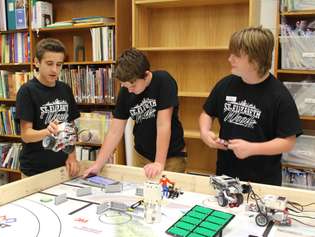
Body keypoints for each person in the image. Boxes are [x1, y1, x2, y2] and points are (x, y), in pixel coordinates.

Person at [199, 26, 302, 186]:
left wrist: (252, 148)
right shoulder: (226, 84)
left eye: (236, 55)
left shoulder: (279, 96)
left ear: (255, 59)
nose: (230, 59)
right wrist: (205, 132)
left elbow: (288, 142)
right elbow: (207, 113)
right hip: (225, 175)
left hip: (262, 181)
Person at [83, 48, 186, 179]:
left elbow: (163, 124)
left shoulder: (163, 81)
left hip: (171, 155)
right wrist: (97, 165)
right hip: (142, 155)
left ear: (146, 74)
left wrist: (159, 163)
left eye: (133, 85)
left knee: (168, 194)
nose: (130, 90)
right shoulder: (125, 92)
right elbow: (115, 131)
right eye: (126, 86)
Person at [16, 38, 80, 177]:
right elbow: (26, 135)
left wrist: (72, 156)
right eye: (49, 63)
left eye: (59, 64)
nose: (54, 69)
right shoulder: (27, 91)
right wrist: (47, 131)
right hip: (35, 171)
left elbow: (71, 128)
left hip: (62, 167)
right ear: (37, 62)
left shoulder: (65, 89)